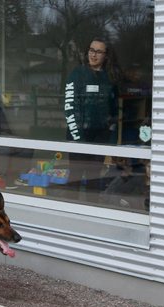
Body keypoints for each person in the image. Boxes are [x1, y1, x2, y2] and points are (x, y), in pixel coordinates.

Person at [64, 37, 121, 199]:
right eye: (91, 50)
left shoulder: (109, 79)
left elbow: (114, 112)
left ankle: (92, 212)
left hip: (100, 138)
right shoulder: (77, 74)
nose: (93, 55)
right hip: (78, 137)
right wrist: (79, 140)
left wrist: (110, 141)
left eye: (98, 51)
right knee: (74, 180)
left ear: (106, 56)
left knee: (94, 180)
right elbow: (69, 108)